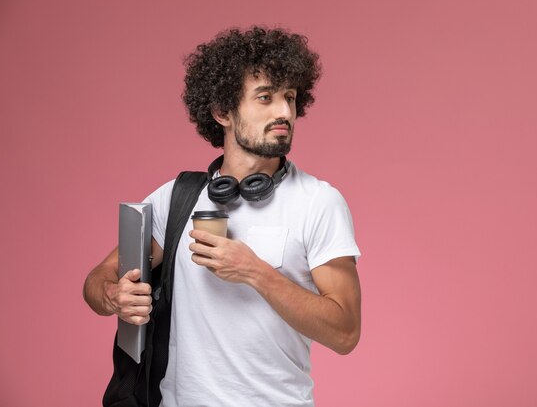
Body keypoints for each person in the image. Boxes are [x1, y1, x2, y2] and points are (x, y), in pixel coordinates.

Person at [83, 26, 361, 407]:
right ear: (221, 112)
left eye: (290, 98)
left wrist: (255, 272)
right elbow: (97, 281)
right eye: (265, 98)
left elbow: (345, 333)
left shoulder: (319, 203)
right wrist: (115, 296)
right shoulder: (177, 199)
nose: (284, 112)